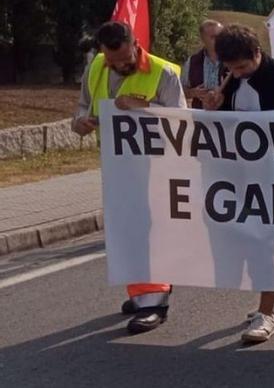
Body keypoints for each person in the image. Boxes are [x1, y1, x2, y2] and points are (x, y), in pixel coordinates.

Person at [71, 21, 186, 334]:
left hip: (157, 167)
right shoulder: (96, 68)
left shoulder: (163, 73)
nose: (121, 65)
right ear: (103, 53)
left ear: (136, 44)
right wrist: (80, 123)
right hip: (117, 168)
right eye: (114, 60)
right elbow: (83, 106)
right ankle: (141, 294)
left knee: (151, 231)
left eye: (126, 58)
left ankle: (155, 303)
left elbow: (181, 122)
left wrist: (143, 106)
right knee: (125, 230)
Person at [199, 25, 274, 343]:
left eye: (242, 67)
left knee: (267, 241)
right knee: (254, 238)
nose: (236, 73)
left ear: (257, 54)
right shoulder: (231, 80)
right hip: (243, 176)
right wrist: (213, 107)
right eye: (230, 68)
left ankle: (266, 313)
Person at [183, 19, 226, 108]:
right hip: (201, 118)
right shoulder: (192, 61)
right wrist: (193, 92)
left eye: (221, 36)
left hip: (228, 117)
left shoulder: (233, 60)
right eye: (214, 37)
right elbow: (181, 91)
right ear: (203, 39)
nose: (219, 40)